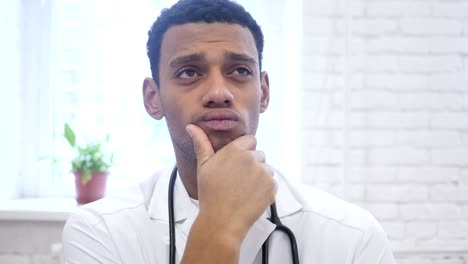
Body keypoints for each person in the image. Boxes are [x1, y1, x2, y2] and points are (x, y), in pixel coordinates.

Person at [62, 0, 396, 263]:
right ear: (154, 98)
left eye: (239, 70)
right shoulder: (98, 232)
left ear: (263, 93)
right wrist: (219, 225)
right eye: (189, 72)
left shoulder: (353, 236)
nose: (219, 92)